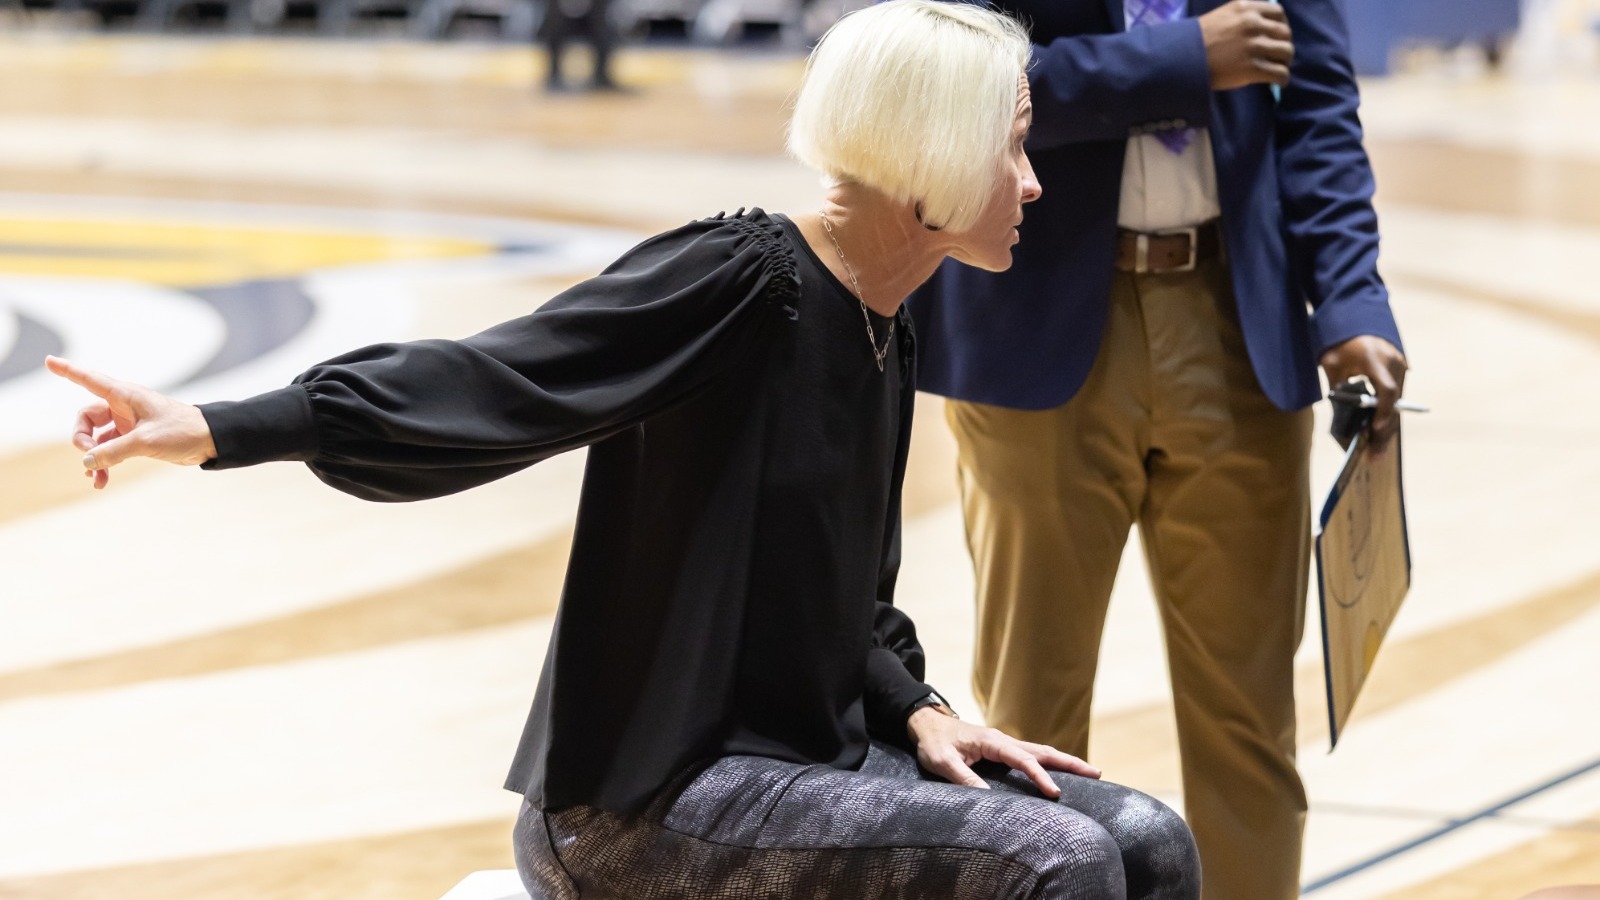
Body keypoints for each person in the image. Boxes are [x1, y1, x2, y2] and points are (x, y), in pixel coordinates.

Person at [48, 2, 1200, 896]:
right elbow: (504, 373)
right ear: (935, 153)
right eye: (1012, 148)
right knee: (1058, 864)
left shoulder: (888, 314)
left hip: (808, 762)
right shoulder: (743, 277)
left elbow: (840, 592)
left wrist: (917, 707)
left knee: (1146, 841)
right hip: (645, 807)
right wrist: (223, 426)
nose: (1034, 182)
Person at [905, 1, 1408, 897]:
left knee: (1248, 723)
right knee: (1031, 715)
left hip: (1236, 324)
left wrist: (1352, 303)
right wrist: (1180, 59)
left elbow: (1321, 106)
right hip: (1036, 325)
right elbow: (955, 87)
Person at [540, 0, 622, 92]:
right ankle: (553, 75)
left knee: (604, 32)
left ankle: (602, 76)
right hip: (560, 18)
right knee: (554, 27)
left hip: (594, 16)